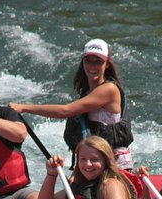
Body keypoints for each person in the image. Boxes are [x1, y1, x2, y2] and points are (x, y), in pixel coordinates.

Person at [9, 39, 133, 170]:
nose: (92, 66)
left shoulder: (109, 89)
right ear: (82, 62)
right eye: (88, 61)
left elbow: (65, 111)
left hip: (114, 165)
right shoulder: (88, 91)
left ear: (107, 64)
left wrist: (24, 108)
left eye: (98, 62)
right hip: (93, 162)